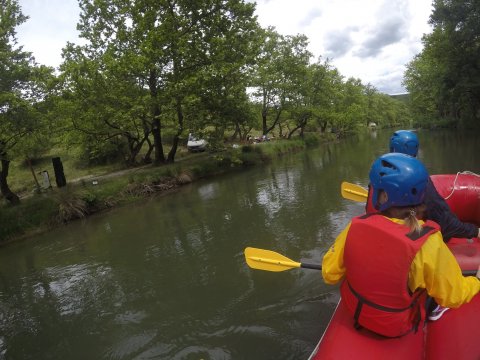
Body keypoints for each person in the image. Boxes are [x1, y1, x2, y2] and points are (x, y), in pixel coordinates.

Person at [323, 153, 480, 337]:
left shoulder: (354, 226)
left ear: (383, 197)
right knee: (428, 283)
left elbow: (329, 274)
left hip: (357, 313)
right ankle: (435, 310)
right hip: (395, 326)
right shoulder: (427, 242)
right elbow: (454, 295)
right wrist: (476, 281)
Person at [366, 130, 480, 241]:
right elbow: (447, 224)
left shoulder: (379, 173)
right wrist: (475, 231)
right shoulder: (422, 184)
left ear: (392, 148)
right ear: (415, 149)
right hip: (419, 235)